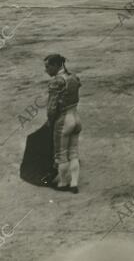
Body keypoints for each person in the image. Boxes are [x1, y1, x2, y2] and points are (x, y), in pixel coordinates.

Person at [44, 54, 82, 194]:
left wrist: (50, 121)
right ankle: (74, 183)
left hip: (63, 121)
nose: (46, 70)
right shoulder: (74, 77)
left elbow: (52, 107)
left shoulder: (56, 82)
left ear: (55, 66)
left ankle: (63, 182)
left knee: (61, 154)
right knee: (73, 152)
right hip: (76, 117)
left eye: (47, 67)